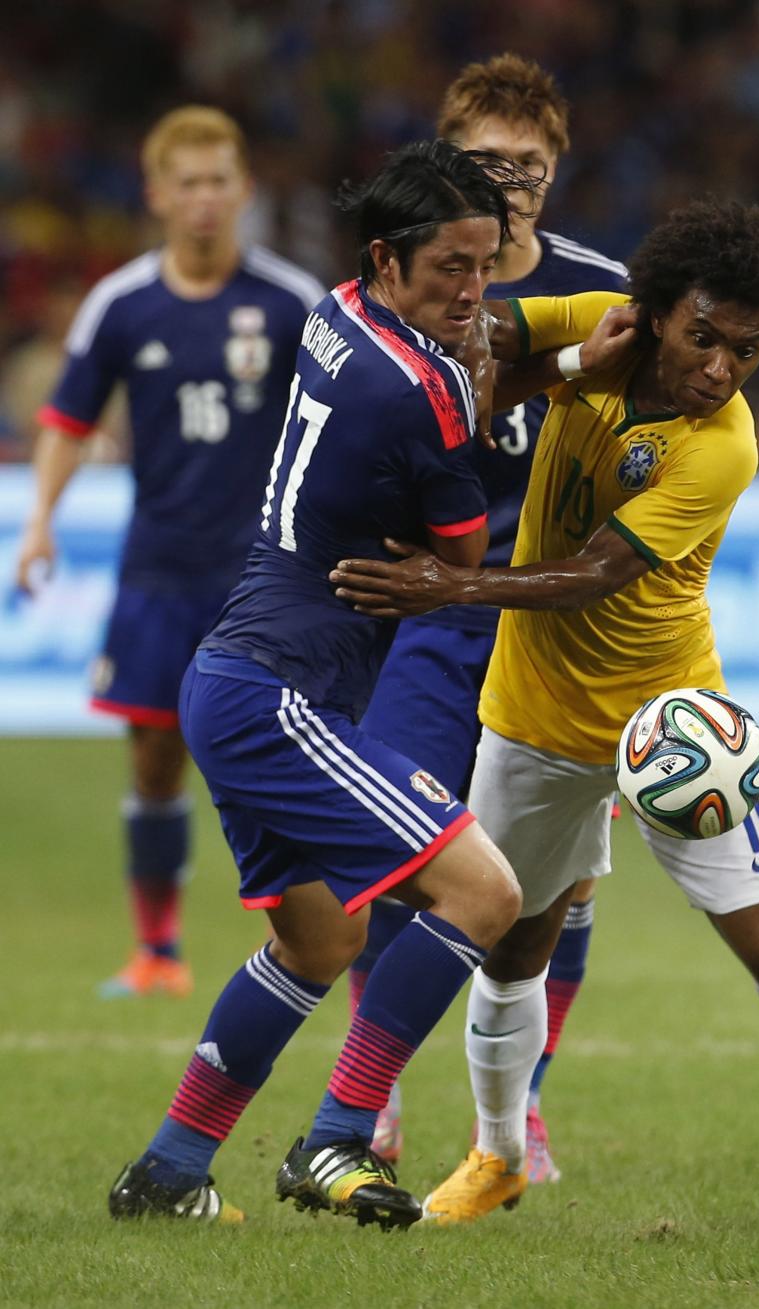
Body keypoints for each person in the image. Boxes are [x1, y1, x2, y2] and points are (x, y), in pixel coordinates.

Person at [329, 196, 759, 1225]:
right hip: (536, 717)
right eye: (705, 337)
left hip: (672, 724)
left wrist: (449, 587)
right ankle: (499, 1153)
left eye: (749, 349)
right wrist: (535, 354)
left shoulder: (723, 446)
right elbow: (481, 344)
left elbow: (593, 575)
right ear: (657, 311)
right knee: (513, 945)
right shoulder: (602, 315)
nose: (723, 367)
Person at [101, 138, 596, 1230]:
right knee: (489, 893)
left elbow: (456, 397)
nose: (472, 291)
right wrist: (561, 374)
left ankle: (172, 1166)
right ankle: (333, 1141)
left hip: (241, 677)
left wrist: (539, 368)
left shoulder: (336, 312)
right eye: (447, 272)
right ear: (388, 257)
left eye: (482, 265)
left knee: (318, 941)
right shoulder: (413, 391)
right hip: (279, 696)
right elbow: (461, 562)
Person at [350, 53, 629, 1185]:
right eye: (484, 160)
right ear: (444, 158)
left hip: (554, 626)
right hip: (433, 612)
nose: (508, 180)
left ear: (555, 174)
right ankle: (370, 1103)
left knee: (559, 883)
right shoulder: (412, 280)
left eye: (528, 163)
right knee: (397, 842)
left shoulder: (607, 287)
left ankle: (526, 1110)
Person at [14, 107, 325, 999]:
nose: (203, 199)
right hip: (158, 567)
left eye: (217, 180)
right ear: (156, 195)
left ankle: (321, 937)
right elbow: (68, 422)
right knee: (153, 756)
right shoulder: (124, 303)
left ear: (244, 190)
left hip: (269, 575)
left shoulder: (292, 301)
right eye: (185, 183)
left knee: (288, 754)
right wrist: (39, 520)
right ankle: (157, 950)